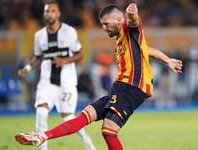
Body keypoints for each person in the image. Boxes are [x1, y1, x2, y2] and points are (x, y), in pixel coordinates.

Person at [15, 3, 182, 150]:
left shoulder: (126, 28)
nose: (103, 28)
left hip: (131, 86)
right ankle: (42, 137)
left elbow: (133, 21)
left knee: (108, 129)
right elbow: (148, 50)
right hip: (120, 87)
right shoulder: (123, 42)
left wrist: (132, 12)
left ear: (118, 20)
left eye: (105, 24)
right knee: (84, 116)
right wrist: (168, 60)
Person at [17, 0, 95, 150]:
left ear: (58, 14)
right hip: (47, 81)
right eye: (47, 11)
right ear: (44, 14)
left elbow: (80, 54)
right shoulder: (39, 36)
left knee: (68, 117)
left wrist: (65, 60)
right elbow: (38, 57)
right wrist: (27, 68)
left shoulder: (69, 32)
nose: (50, 14)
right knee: (40, 112)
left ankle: (86, 139)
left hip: (67, 82)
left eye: (53, 11)